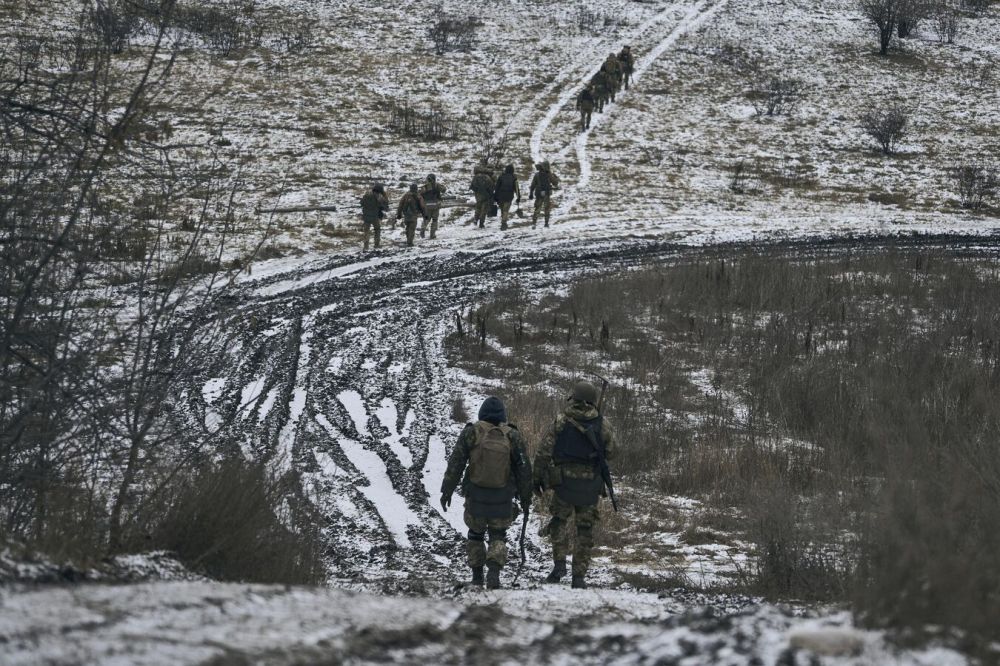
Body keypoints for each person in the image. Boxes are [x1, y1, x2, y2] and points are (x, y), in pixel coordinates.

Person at [441, 397, 532, 590]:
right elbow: (524, 469)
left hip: (476, 494)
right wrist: (525, 497)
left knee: (475, 534)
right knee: (498, 534)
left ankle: (476, 576)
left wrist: (447, 490)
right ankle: (494, 571)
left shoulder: (471, 432)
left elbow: (456, 464)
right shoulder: (512, 436)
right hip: (503, 495)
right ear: (502, 416)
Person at [533, 380, 617, 589]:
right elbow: (613, 451)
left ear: (575, 398)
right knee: (585, 529)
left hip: (563, 483)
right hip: (590, 485)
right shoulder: (602, 423)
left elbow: (544, 451)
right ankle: (578, 576)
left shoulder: (561, 421)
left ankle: (559, 565)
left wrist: (537, 478)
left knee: (559, 522)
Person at [528, 161, 559, 228]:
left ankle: (534, 223)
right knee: (547, 209)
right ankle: (546, 223)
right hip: (547, 194)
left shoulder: (537, 175)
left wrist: (531, 193)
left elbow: (533, 185)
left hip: (539, 194)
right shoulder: (549, 175)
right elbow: (555, 183)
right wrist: (555, 177)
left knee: (537, 209)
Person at [359, 183, 389, 252]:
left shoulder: (367, 194)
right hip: (375, 217)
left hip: (366, 216)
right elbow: (385, 205)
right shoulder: (379, 197)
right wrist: (384, 195)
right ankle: (376, 245)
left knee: (366, 231)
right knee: (377, 230)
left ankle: (366, 246)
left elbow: (361, 203)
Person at [395, 183, 426, 247]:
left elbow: (400, 205)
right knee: (412, 228)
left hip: (406, 214)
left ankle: (408, 240)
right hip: (414, 214)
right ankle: (410, 242)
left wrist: (399, 214)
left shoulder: (406, 195)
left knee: (408, 228)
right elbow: (422, 206)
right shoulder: (418, 196)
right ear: (416, 189)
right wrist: (424, 214)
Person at [493, 164, 520, 231]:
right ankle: (504, 223)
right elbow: (516, 188)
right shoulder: (514, 178)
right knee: (506, 210)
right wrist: (518, 196)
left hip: (501, 196)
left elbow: (497, 187)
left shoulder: (501, 176)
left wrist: (495, 196)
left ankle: (503, 220)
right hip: (509, 196)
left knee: (502, 209)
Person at [419, 174, 446, 239]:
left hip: (427, 206)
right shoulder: (436, 185)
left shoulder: (424, 187)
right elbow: (444, 190)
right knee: (435, 220)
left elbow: (419, 194)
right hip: (436, 205)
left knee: (426, 219)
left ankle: (422, 229)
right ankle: (432, 234)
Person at [470, 164, 495, 228]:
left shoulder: (475, 177)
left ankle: (476, 219)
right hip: (486, 196)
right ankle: (481, 223)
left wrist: (477, 191)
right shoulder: (487, 177)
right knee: (484, 210)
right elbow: (491, 186)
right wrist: (490, 194)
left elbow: (472, 186)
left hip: (478, 196)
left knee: (478, 207)